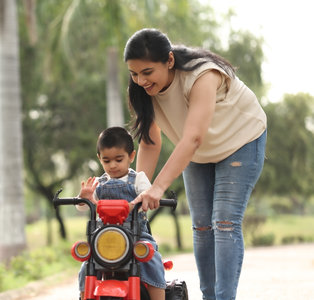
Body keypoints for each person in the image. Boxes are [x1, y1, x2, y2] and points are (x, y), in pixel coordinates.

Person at [123, 28, 267, 300]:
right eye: (134, 73)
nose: (140, 80)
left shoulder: (202, 75)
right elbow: (150, 142)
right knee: (201, 226)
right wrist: (138, 188)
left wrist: (159, 187)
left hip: (241, 142)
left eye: (147, 72)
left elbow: (194, 136)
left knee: (224, 222)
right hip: (198, 153)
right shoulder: (141, 91)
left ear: (169, 60)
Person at [77, 126, 167, 300]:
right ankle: (84, 295)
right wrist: (84, 198)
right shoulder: (97, 183)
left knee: (153, 260)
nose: (113, 165)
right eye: (107, 160)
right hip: (103, 240)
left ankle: (158, 296)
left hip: (137, 236)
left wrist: (139, 201)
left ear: (131, 156)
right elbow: (83, 207)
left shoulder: (138, 179)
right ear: (99, 159)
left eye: (119, 159)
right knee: (86, 265)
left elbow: (148, 195)